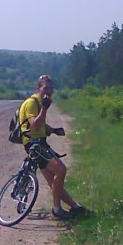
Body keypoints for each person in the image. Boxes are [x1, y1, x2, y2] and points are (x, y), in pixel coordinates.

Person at [18, 74, 84, 220]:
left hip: (39, 142)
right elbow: (34, 125)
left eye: (51, 89)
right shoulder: (32, 103)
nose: (49, 92)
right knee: (61, 169)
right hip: (33, 144)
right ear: (38, 88)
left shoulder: (39, 102)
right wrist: (44, 108)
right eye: (45, 88)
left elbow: (40, 124)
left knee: (53, 181)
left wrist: (53, 130)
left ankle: (75, 206)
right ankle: (57, 209)